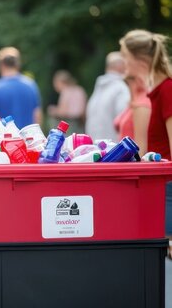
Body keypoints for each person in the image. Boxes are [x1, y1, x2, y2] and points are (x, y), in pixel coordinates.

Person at [120, 29, 172, 256]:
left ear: (139, 59)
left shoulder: (167, 90)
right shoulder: (158, 92)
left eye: (125, 57)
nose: (124, 64)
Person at [0, 47, 42, 128]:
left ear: (1, 65)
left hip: (4, 140)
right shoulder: (30, 85)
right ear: (18, 64)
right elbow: (37, 115)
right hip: (28, 139)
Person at [85, 52, 130, 140]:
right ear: (121, 66)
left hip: (94, 145)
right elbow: (124, 120)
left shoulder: (98, 88)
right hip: (113, 147)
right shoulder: (121, 88)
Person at [114, 74, 150, 154]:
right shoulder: (132, 101)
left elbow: (141, 149)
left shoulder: (142, 103)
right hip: (123, 158)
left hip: (133, 160)